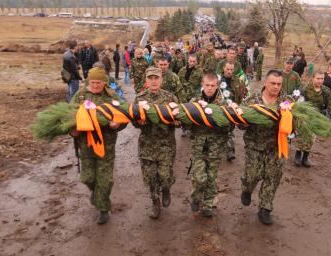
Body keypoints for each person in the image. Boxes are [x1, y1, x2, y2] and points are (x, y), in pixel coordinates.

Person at [70, 67, 125, 224]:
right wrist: (71, 131)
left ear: (104, 82)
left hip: (106, 146)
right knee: (87, 178)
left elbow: (125, 114)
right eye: (93, 82)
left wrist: (118, 124)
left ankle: (103, 209)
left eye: (99, 83)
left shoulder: (112, 96)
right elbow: (68, 116)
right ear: (88, 81)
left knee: (106, 180)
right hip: (85, 145)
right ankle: (95, 192)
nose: (95, 86)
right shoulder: (80, 95)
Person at [240, 69, 290, 225]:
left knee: (273, 177)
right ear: (265, 83)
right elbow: (240, 124)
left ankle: (265, 208)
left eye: (279, 84)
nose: (276, 87)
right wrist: (246, 120)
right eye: (272, 83)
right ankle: (247, 189)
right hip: (254, 145)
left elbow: (294, 123)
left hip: (276, 147)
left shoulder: (287, 102)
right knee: (252, 176)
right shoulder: (251, 100)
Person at [135, 67, 179, 219]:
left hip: (166, 144)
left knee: (165, 175)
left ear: (162, 80)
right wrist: (138, 122)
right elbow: (134, 122)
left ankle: (166, 188)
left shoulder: (170, 98)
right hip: (147, 144)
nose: (153, 81)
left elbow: (180, 120)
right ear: (146, 80)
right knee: (151, 177)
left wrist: (176, 121)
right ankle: (155, 202)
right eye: (150, 78)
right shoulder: (139, 98)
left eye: (156, 78)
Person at [189, 72, 230, 217]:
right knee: (199, 177)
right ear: (202, 84)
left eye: (213, 85)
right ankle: (195, 197)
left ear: (217, 86)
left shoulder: (223, 104)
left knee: (211, 178)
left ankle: (208, 205)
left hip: (215, 147)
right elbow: (187, 123)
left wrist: (219, 121)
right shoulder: (194, 101)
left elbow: (230, 126)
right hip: (198, 146)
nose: (210, 88)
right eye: (207, 85)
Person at [294, 70, 331, 167]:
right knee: (302, 136)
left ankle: (305, 157)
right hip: (304, 117)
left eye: (322, 79)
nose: (320, 81)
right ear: (312, 78)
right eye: (318, 78)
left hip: (317, 117)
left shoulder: (325, 90)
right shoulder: (304, 89)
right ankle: (298, 154)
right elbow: (297, 103)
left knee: (312, 138)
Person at [220, 62, 246, 161]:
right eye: (228, 69)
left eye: (231, 69)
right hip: (221, 109)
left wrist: (238, 107)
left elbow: (240, 95)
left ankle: (229, 150)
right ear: (224, 68)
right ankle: (226, 150)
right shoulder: (218, 80)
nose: (229, 71)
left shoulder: (237, 80)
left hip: (232, 110)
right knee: (222, 130)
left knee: (229, 130)